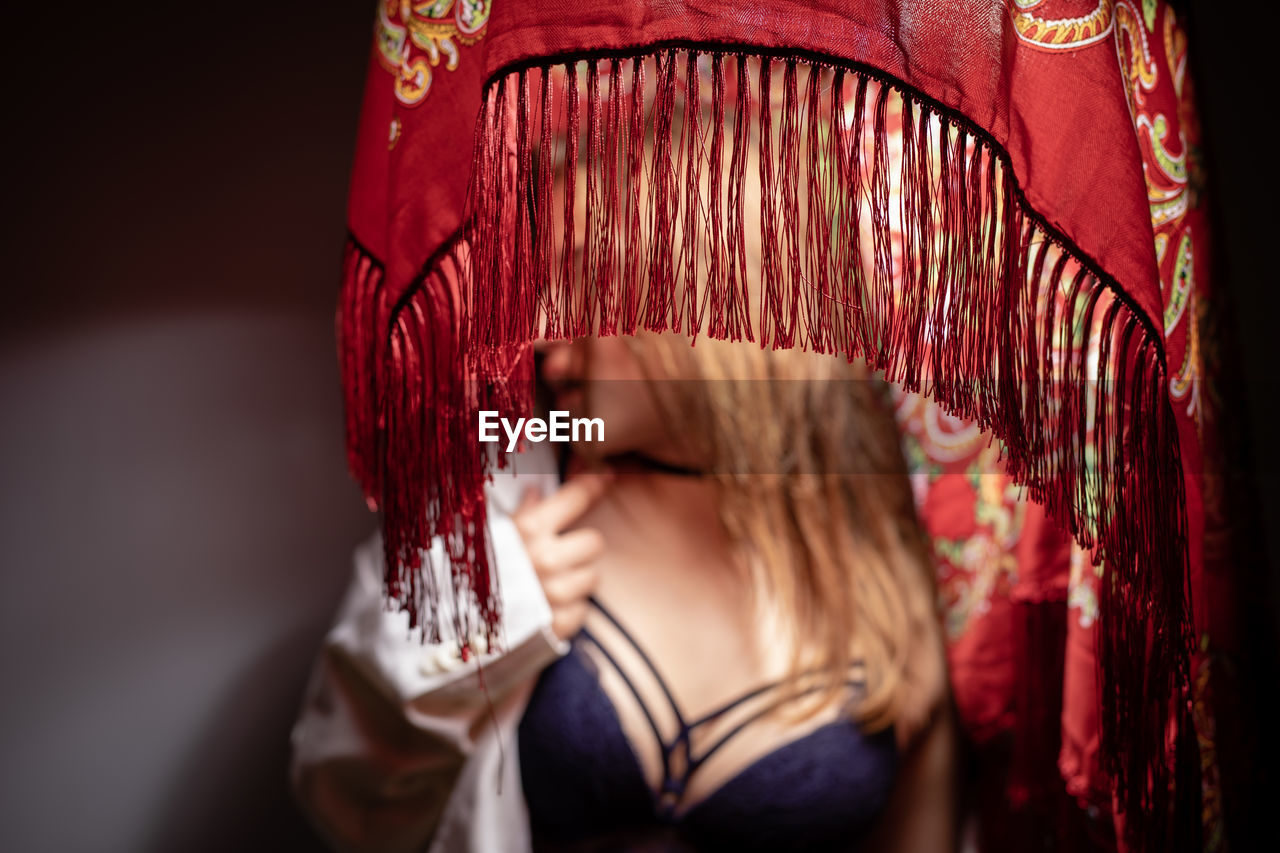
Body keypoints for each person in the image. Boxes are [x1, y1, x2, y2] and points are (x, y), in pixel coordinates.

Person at [291, 325, 957, 852]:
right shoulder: (508, 483)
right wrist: (486, 610)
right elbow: (342, 789)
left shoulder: (887, 537)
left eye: (582, 282)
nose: (543, 329)